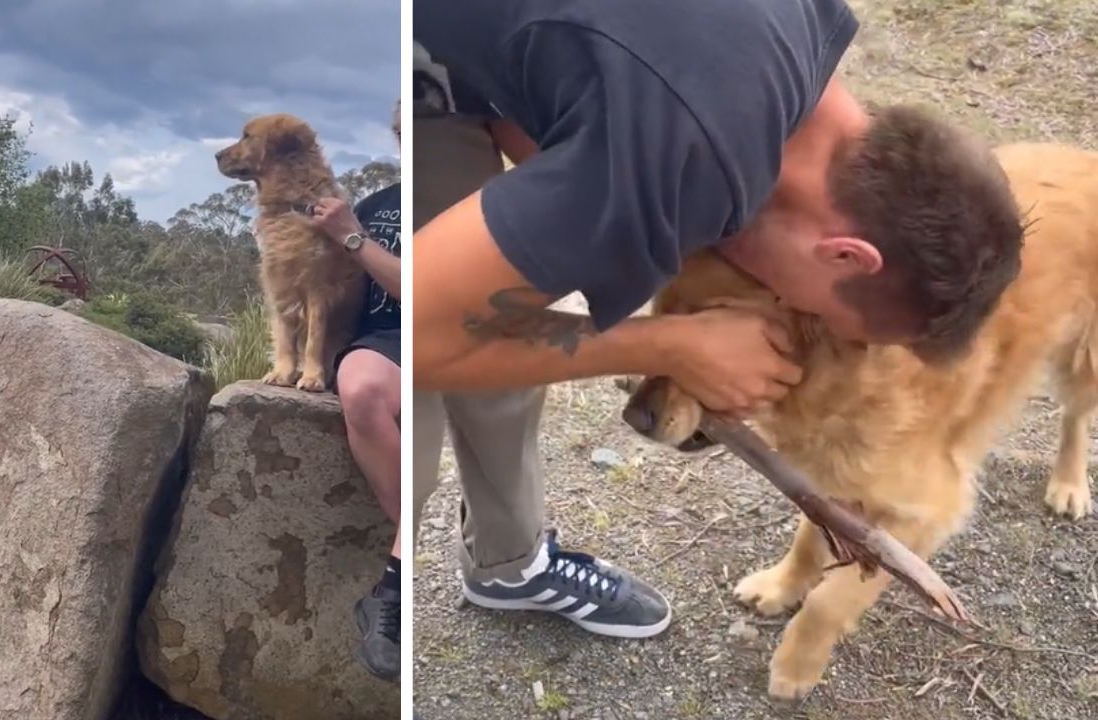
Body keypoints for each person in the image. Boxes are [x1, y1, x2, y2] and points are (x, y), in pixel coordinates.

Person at [413, 0, 1025, 639]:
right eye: (821, 315)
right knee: (443, 360)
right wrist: (668, 345)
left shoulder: (805, 32)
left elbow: (576, 85)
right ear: (846, 255)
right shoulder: (682, 151)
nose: (805, 322)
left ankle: (507, 559)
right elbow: (424, 336)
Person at [311, 101, 403, 681]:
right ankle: (414, 556)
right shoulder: (374, 205)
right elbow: (330, 290)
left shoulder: (459, 198)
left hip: (445, 329)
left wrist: (351, 239)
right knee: (362, 385)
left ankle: (393, 583)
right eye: (403, 132)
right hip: (385, 340)